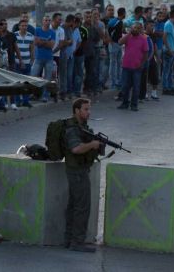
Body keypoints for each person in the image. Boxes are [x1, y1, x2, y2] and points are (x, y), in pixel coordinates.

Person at [63, 97, 104, 252]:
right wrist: (92, 145)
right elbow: (76, 149)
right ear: (76, 111)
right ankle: (77, 242)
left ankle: (70, 239)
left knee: (74, 206)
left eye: (89, 109)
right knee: (82, 207)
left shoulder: (81, 127)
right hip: (77, 171)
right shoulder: (72, 128)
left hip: (79, 170)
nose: (88, 112)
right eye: (85, 109)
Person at [118, 22, 148, 111]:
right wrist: (129, 33)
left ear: (141, 29)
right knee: (125, 86)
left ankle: (134, 104)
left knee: (136, 86)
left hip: (137, 67)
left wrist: (141, 64)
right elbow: (120, 42)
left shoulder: (143, 39)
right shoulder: (128, 37)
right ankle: (124, 103)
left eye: (138, 28)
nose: (136, 29)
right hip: (126, 66)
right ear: (131, 28)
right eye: (134, 27)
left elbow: (146, 54)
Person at [31, 16, 57, 102]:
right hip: (38, 57)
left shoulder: (52, 32)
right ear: (42, 21)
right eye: (46, 20)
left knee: (47, 78)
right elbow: (36, 43)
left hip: (49, 58)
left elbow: (51, 45)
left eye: (49, 20)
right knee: (34, 76)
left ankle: (45, 95)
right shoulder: (37, 30)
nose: (47, 22)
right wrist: (47, 41)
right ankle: (34, 94)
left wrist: (41, 42)